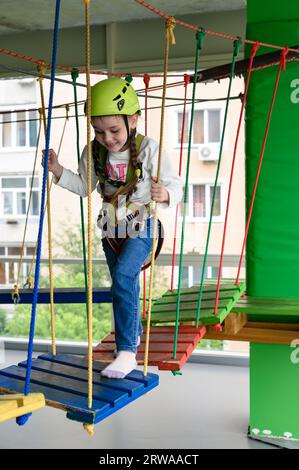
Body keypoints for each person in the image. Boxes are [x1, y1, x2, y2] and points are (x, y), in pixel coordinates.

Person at [42, 77, 182, 379]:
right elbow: (84, 186)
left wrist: (166, 194)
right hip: (111, 230)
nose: (107, 138)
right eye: (99, 131)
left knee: (122, 277)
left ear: (133, 119)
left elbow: (176, 183)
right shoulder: (94, 152)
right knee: (123, 285)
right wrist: (57, 171)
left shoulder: (147, 149)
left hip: (142, 225)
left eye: (115, 130)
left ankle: (127, 351)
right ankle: (132, 339)